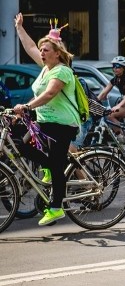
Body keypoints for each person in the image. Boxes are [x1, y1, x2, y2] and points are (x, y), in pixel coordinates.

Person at [12, 13, 81, 226]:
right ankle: (51, 169)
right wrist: (19, 28)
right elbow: (30, 46)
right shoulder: (45, 68)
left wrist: (27, 106)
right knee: (20, 145)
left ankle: (56, 208)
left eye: (46, 50)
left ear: (57, 54)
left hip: (63, 124)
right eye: (41, 50)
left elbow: (50, 94)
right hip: (45, 123)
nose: (41, 52)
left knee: (56, 163)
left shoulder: (62, 71)